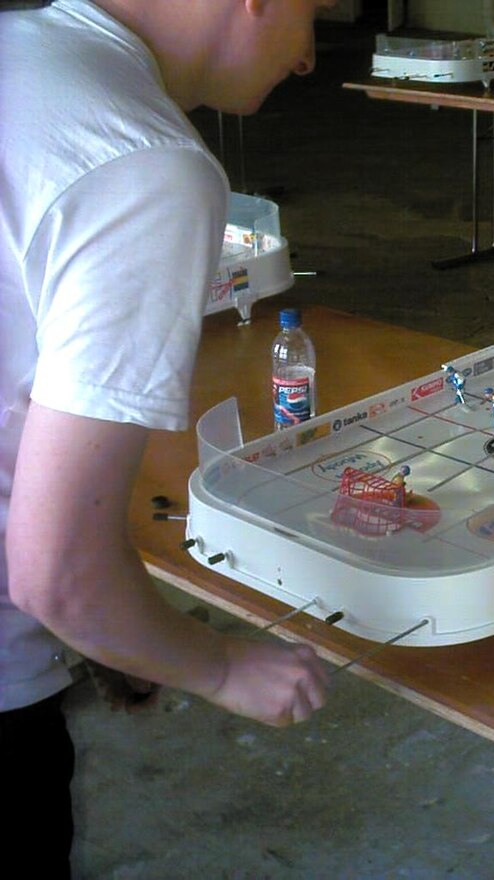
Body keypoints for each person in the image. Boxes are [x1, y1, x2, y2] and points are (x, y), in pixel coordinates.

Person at [1, 0, 336, 871]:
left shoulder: (19, 54)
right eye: (317, 12)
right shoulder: (144, 162)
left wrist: (110, 628)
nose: (307, 58)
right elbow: (59, 575)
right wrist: (220, 668)